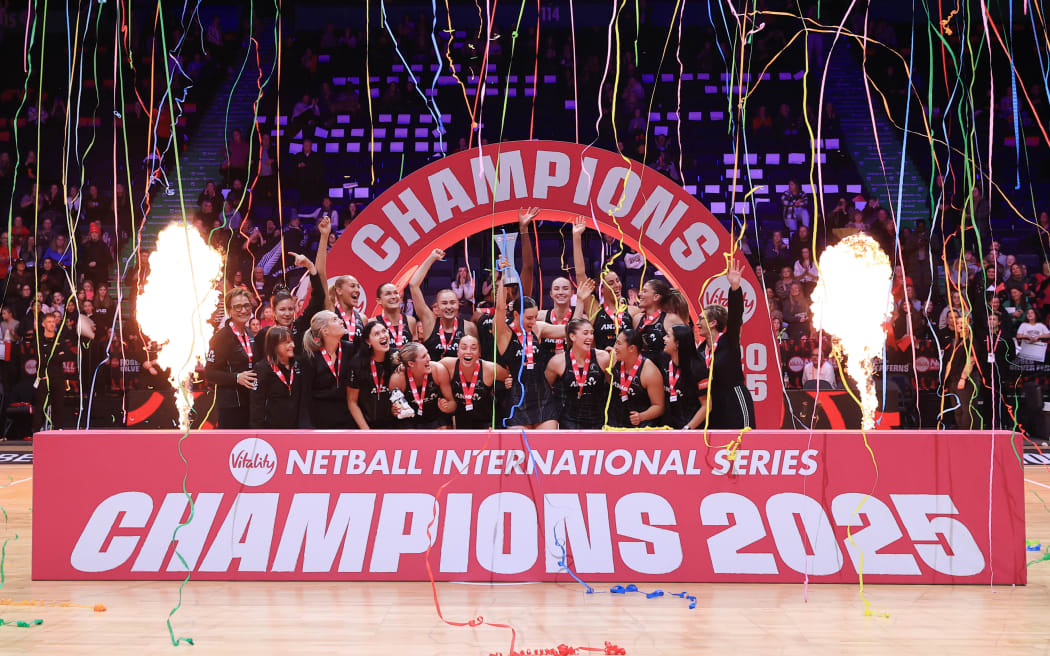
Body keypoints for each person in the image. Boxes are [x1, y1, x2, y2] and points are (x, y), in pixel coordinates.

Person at [493, 272, 582, 429]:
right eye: (529, 318)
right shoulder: (504, 334)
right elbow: (500, 308)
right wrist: (503, 279)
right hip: (518, 399)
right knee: (520, 452)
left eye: (535, 317)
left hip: (543, 397)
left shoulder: (537, 328)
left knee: (547, 447)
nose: (533, 321)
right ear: (516, 315)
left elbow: (569, 329)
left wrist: (580, 301)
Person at [697, 258, 756, 429]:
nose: (697, 322)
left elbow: (736, 316)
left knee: (743, 442)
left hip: (734, 399)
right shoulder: (701, 350)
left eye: (701, 319)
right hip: (714, 404)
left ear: (713, 322)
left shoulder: (728, 341)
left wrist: (735, 288)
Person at [546, 309, 612, 429]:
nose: (590, 337)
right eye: (585, 333)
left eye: (592, 333)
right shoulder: (557, 362)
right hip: (568, 422)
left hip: (598, 421)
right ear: (572, 336)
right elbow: (545, 391)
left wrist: (614, 364)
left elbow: (612, 386)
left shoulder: (603, 357)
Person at [571, 216, 630, 351]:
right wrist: (576, 237)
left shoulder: (631, 310)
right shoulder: (595, 310)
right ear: (601, 289)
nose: (617, 285)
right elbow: (580, 274)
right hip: (602, 367)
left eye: (617, 281)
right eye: (611, 283)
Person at [409, 249, 478, 361]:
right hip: (432, 377)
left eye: (452, 302)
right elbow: (413, 285)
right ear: (437, 307)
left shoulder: (469, 327)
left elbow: (476, 359)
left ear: (458, 305)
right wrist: (431, 258)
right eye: (444, 303)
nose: (449, 307)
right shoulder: (429, 322)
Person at [205, 288, 257, 428]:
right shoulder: (221, 338)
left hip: (251, 403)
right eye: (237, 307)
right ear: (229, 310)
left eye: (246, 305)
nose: (243, 310)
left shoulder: (249, 333)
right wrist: (236, 377)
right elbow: (209, 373)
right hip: (232, 407)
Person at [299, 310, 355, 428]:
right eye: (335, 319)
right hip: (320, 420)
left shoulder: (350, 349)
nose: (341, 321)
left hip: (347, 417)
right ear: (324, 331)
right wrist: (306, 427)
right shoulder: (310, 357)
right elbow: (305, 394)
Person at [440, 334, 508, 429]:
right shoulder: (447, 365)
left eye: (473, 348)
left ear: (479, 353)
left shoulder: (490, 369)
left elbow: (510, 377)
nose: (468, 352)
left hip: (487, 425)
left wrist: (509, 382)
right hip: (461, 425)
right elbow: (431, 371)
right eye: (463, 348)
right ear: (458, 352)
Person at [607, 329, 666, 428]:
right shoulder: (615, 359)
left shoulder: (649, 372)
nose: (615, 347)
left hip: (641, 427)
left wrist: (641, 416)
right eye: (616, 343)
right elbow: (610, 382)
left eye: (619, 343)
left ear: (632, 348)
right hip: (615, 423)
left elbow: (659, 407)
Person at [390, 342, 456, 429]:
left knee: (444, 429)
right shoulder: (397, 379)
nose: (429, 358)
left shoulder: (438, 370)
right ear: (411, 364)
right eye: (423, 356)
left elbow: (453, 404)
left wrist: (447, 407)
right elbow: (395, 409)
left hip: (435, 419)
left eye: (427, 353)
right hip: (411, 421)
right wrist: (396, 410)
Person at [347, 320, 397, 429]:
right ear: (368, 341)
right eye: (377, 334)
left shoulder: (396, 359)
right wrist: (366, 431)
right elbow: (352, 402)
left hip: (393, 425)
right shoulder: (358, 363)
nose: (383, 335)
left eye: (384, 331)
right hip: (366, 426)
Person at [250, 326, 302, 428]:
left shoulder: (298, 364)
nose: (293, 345)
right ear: (274, 345)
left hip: (297, 428)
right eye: (287, 342)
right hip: (272, 429)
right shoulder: (262, 368)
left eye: (292, 341)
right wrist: (257, 432)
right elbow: (257, 404)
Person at [663, 324, 708, 429]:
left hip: (691, 429)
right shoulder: (664, 359)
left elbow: (706, 406)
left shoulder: (697, 367)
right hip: (669, 428)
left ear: (677, 343)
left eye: (668, 336)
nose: (664, 338)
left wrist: (688, 428)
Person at [631, 278, 689, 360]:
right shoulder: (637, 319)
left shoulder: (671, 319)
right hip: (640, 370)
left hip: (665, 371)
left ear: (656, 297)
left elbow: (686, 348)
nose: (640, 294)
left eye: (644, 291)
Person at [374, 282, 416, 349]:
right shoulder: (372, 323)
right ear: (379, 301)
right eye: (388, 294)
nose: (393, 297)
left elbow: (415, 351)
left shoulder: (411, 321)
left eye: (396, 293)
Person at [328, 274, 366, 344]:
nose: (357, 290)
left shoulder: (362, 318)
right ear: (339, 291)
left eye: (358, 287)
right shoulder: (331, 314)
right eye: (352, 286)